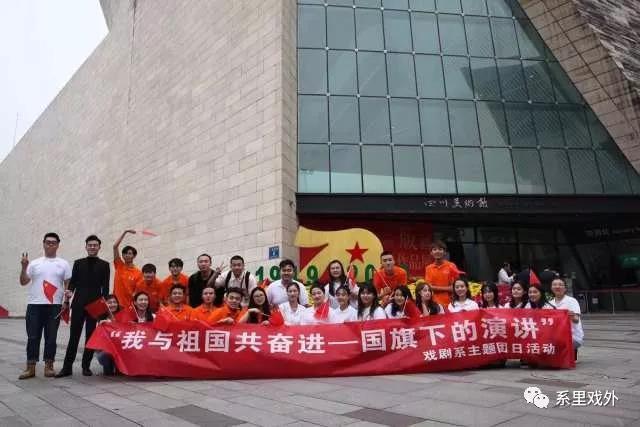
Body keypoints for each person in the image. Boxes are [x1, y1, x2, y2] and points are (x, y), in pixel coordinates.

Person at [18, 232, 72, 379]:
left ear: (58, 245)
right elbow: (23, 282)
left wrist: (66, 302)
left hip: (54, 306)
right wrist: (24, 267)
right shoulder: (34, 263)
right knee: (33, 337)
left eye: (53, 242)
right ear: (43, 244)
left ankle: (49, 366)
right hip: (34, 305)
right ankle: (30, 367)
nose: (50, 245)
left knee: (51, 337)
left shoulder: (63, 263)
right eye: (48, 242)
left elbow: (67, 284)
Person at [56, 235, 110, 378]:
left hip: (95, 305)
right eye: (90, 245)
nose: (92, 247)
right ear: (86, 247)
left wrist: (104, 309)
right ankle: (67, 367)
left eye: (95, 245)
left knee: (90, 337)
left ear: (99, 247)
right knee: (74, 336)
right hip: (78, 303)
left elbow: (105, 287)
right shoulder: (78, 263)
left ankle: (86, 366)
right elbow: (73, 282)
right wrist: (69, 291)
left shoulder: (104, 265)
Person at [551, 278, 583, 360]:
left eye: (560, 285)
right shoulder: (549, 303)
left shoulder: (572, 301)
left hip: (572, 336)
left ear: (565, 288)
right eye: (554, 285)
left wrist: (572, 316)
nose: (557, 286)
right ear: (551, 288)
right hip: (556, 336)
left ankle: (571, 352)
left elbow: (576, 320)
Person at [112, 230, 143, 310]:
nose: (127, 255)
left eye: (129, 253)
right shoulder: (119, 265)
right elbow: (115, 246)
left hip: (129, 306)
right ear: (122, 255)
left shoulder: (138, 273)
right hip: (116, 305)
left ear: (134, 256)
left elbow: (137, 291)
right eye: (125, 253)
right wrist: (125, 232)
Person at [425, 241, 461, 307]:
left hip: (451, 303)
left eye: (440, 249)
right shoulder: (428, 268)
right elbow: (429, 287)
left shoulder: (452, 266)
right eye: (434, 249)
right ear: (431, 253)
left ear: (445, 252)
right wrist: (448, 288)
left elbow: (456, 286)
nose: (437, 251)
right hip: (434, 303)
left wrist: (434, 288)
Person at [95, 295, 120, 376]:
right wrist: (101, 325)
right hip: (106, 351)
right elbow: (97, 340)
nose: (112, 304)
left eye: (114, 302)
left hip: (121, 349)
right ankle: (108, 366)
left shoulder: (123, 316)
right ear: (105, 305)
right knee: (106, 355)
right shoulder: (101, 320)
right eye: (109, 303)